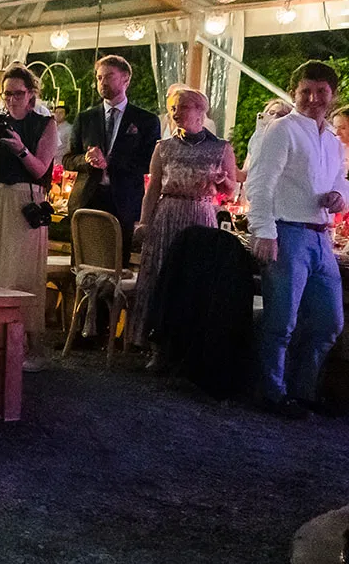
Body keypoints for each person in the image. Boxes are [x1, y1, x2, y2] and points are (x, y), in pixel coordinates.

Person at [246, 60, 349, 417]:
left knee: (328, 321)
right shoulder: (281, 130)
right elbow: (260, 183)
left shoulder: (333, 143)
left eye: (321, 92)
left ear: (332, 96)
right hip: (287, 231)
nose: (313, 98)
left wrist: (339, 196)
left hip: (322, 236)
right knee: (281, 320)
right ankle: (272, 392)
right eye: (306, 91)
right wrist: (263, 231)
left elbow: (340, 181)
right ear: (294, 93)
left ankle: (303, 389)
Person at [0, 66, 60, 368]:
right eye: (7, 94)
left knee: (19, 270)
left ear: (31, 93)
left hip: (23, 200)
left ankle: (27, 343)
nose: (13, 99)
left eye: (19, 94)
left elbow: (41, 169)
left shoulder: (44, 124)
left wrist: (20, 148)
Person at [130, 88, 237, 355]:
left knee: (194, 279)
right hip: (168, 212)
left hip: (200, 214)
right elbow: (153, 187)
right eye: (173, 108)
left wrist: (223, 183)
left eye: (183, 107)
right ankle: (156, 345)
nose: (176, 113)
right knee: (161, 276)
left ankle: (188, 347)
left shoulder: (220, 147)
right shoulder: (163, 147)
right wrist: (144, 222)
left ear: (201, 112)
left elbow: (231, 190)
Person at [63, 55, 160, 253]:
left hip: (123, 201)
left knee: (115, 265)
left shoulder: (145, 120)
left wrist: (110, 162)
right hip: (87, 198)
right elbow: (68, 159)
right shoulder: (85, 118)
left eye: (108, 77)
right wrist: (86, 159)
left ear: (126, 79)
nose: (102, 83)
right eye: (99, 78)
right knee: (83, 262)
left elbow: (148, 162)